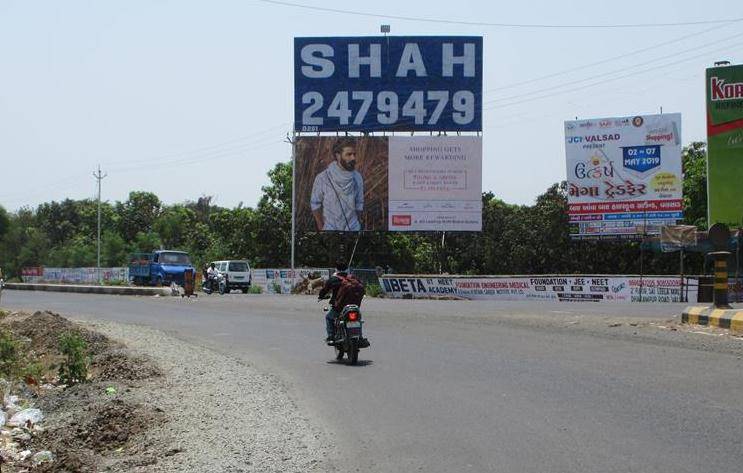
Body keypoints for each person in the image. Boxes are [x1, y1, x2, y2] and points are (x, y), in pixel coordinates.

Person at [310, 138, 364, 231]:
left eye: (354, 154)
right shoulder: (322, 178)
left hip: (353, 228)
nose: (353, 158)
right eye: (348, 154)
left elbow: (359, 203)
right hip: (330, 230)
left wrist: (357, 224)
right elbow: (315, 203)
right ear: (338, 156)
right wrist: (321, 226)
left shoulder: (357, 177)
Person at [318, 260, 356, 342]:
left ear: (336, 269)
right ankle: (359, 336)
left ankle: (331, 336)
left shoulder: (333, 279)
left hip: (339, 306)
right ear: (347, 268)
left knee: (329, 317)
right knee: (357, 319)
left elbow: (324, 290)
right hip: (353, 306)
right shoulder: (353, 279)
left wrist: (321, 296)